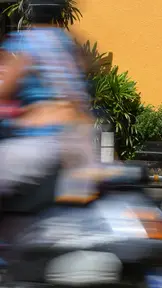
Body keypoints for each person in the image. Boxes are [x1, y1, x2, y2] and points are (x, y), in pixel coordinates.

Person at [0, 0, 97, 198]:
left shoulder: (25, 43)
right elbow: (85, 74)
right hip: (81, 142)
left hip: (43, 143)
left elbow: (4, 88)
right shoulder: (69, 42)